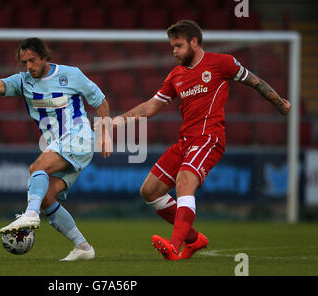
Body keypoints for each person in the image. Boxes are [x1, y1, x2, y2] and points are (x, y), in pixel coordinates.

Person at [112, 20, 291, 261]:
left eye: (178, 46)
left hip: (209, 138)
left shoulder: (222, 63)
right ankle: (193, 239)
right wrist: (117, 122)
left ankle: (174, 246)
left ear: (194, 42)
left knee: (184, 180)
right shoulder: (176, 75)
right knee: (149, 191)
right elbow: (152, 106)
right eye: (172, 47)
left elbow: (254, 81)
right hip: (185, 141)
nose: (173, 51)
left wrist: (280, 103)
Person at [0, 37, 111, 261]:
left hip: (79, 137)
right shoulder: (22, 81)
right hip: (60, 145)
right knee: (47, 198)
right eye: (24, 62)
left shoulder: (71, 74)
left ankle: (30, 214)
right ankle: (83, 247)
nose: (29, 67)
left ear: (44, 56)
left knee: (37, 168)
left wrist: (105, 133)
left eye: (32, 60)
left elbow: (100, 101)